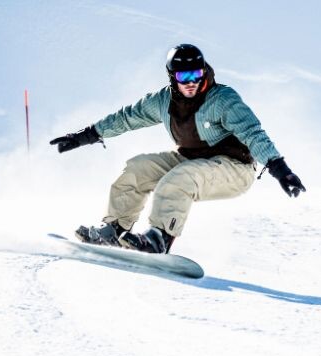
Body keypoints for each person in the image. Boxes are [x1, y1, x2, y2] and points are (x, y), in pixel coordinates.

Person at [49, 44, 305, 254]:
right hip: (191, 161)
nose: (192, 82)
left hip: (234, 168)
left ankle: (158, 238)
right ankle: (114, 229)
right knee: (138, 168)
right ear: (173, 77)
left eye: (197, 74)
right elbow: (128, 117)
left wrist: (281, 170)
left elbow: (252, 133)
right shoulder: (163, 101)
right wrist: (86, 136)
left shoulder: (223, 99)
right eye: (184, 77)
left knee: (178, 180)